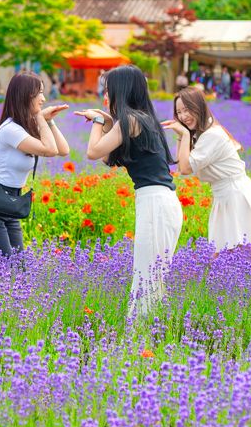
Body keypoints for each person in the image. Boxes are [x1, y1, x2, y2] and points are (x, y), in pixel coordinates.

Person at [75, 65, 182, 319]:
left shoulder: (131, 120)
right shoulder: (141, 119)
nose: (105, 96)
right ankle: (150, 332)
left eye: (108, 90)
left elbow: (93, 152)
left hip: (155, 202)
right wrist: (107, 122)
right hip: (157, 200)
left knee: (148, 274)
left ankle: (141, 335)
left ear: (121, 91)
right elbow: (108, 157)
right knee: (151, 274)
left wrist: (99, 120)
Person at [163, 88, 251, 251]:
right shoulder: (202, 134)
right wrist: (182, 135)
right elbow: (183, 165)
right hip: (226, 197)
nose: (183, 116)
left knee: (241, 260)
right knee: (230, 262)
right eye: (179, 112)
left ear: (199, 107)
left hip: (236, 197)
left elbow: (185, 168)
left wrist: (183, 134)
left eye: (187, 110)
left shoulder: (212, 135)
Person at [0, 72, 71, 257]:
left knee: (18, 269)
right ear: (25, 96)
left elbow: (63, 150)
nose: (43, 98)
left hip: (9, 205)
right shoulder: (10, 129)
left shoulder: (27, 125)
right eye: (39, 93)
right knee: (2, 269)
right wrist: (41, 119)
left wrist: (50, 121)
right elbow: (50, 150)